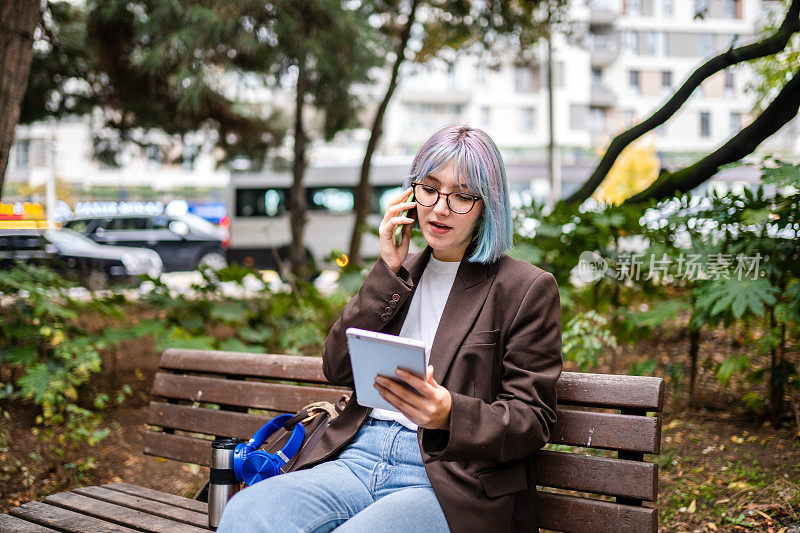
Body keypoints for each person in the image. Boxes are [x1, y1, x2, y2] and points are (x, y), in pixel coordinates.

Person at [217, 124, 563, 533]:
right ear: (409, 193)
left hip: (446, 476)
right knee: (245, 515)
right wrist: (387, 270)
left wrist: (450, 413)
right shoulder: (401, 273)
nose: (439, 208)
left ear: (488, 205)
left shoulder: (524, 288)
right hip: (359, 455)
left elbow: (532, 418)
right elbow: (336, 367)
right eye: (429, 188)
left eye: (462, 196)